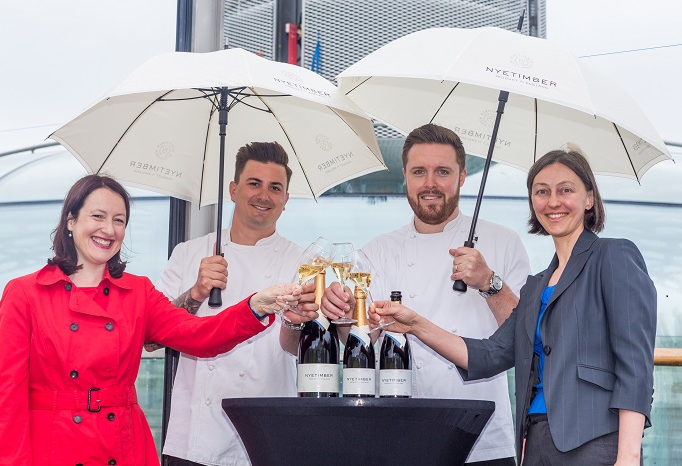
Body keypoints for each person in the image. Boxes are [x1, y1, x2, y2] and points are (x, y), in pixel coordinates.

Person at [0, 174, 314, 466]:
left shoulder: (137, 292)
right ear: (70, 221)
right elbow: (4, 403)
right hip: (52, 451)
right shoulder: (25, 294)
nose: (109, 229)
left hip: (122, 447)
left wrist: (255, 305)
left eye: (119, 220)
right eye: (97, 216)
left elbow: (201, 336)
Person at [370, 149, 656, 466]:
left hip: (594, 442)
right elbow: (490, 354)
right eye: (541, 191)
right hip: (535, 444)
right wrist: (414, 324)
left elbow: (635, 365)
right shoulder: (535, 286)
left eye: (566, 190)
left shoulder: (613, 256)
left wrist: (628, 455)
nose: (553, 201)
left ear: (589, 198)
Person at [322, 123, 531, 465]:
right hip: (399, 431)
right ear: (405, 175)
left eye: (442, 172)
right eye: (419, 171)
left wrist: (489, 283)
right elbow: (359, 339)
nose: (430, 183)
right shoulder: (378, 250)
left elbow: (522, 337)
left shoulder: (503, 242)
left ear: (462, 176)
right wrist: (341, 312)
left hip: (482, 437)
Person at [156, 141, 308, 466]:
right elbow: (153, 339)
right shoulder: (188, 252)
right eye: (254, 183)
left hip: (267, 435)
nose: (263, 195)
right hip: (194, 440)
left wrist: (294, 322)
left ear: (285, 200)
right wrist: (196, 292)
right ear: (234, 189)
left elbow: (298, 350)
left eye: (275, 187)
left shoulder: (303, 261)